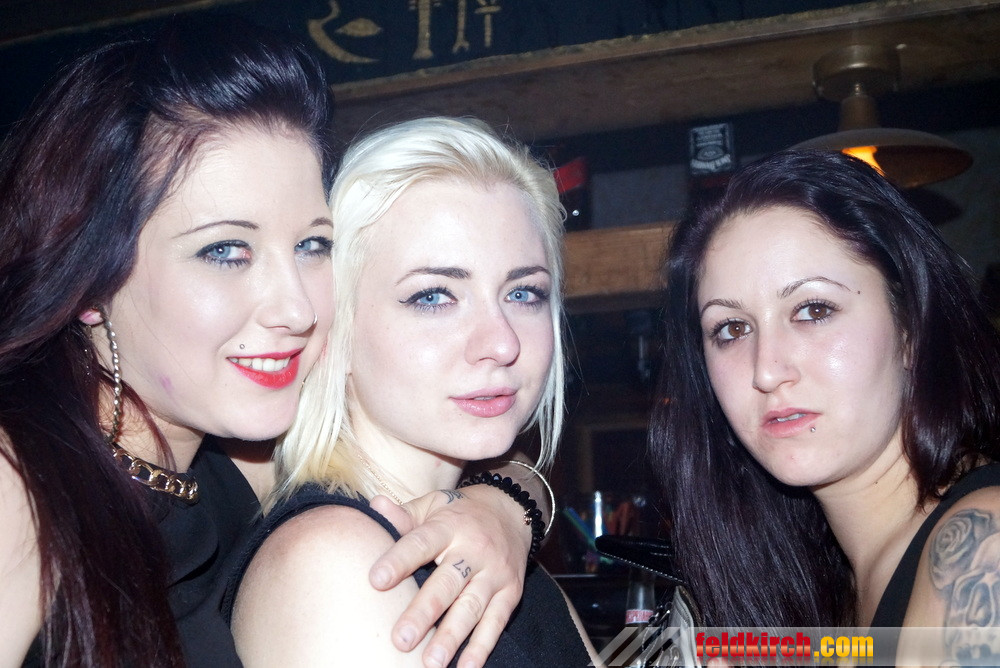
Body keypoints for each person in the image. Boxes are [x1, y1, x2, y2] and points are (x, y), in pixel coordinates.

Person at [0, 20, 553, 668]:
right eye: (226, 251)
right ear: (89, 280)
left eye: (312, 245)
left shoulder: (231, 465)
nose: (297, 308)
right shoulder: (21, 483)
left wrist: (504, 507)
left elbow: (479, 442)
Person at [227, 117, 598, 667]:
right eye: (433, 296)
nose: (501, 343)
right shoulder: (334, 564)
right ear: (337, 330)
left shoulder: (491, 547)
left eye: (523, 293)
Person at [650, 149, 1000, 662]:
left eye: (813, 310)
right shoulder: (826, 590)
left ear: (910, 328)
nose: (767, 370)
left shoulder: (981, 548)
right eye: (732, 328)